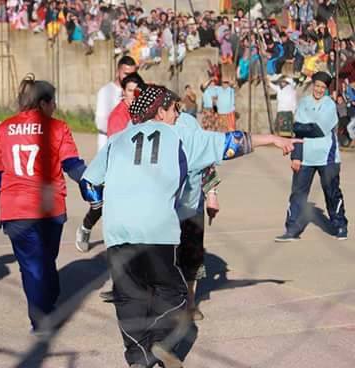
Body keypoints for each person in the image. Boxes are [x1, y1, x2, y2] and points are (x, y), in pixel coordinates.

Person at [80, 85, 299, 368]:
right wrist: (271, 138)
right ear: (160, 111)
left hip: (118, 230)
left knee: (128, 297)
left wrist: (99, 206)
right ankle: (159, 340)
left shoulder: (117, 140)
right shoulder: (180, 137)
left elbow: (89, 183)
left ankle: (137, 357)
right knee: (173, 292)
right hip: (157, 228)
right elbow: (230, 143)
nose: (177, 115)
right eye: (174, 110)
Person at [0, 75, 87, 334]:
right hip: (49, 206)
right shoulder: (57, 128)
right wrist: (91, 182)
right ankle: (41, 317)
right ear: (43, 102)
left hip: (16, 208)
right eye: (52, 101)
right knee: (43, 260)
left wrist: (6, 199)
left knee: (35, 264)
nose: (54, 106)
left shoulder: (4, 128)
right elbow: (72, 165)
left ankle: (44, 306)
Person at [276, 71, 349, 242]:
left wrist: (302, 126)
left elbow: (318, 130)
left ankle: (339, 225)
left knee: (332, 193)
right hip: (305, 157)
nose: (319, 90)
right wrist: (296, 156)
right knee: (297, 194)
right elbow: (298, 131)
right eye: (316, 86)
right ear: (312, 85)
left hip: (327, 158)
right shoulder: (304, 103)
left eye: (323, 87)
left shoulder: (330, 105)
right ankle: (292, 229)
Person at [75, 56, 136, 250]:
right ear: (118, 71)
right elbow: (100, 122)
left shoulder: (137, 91)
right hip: (108, 152)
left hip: (130, 156)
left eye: (132, 72)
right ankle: (86, 226)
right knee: (100, 203)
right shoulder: (107, 92)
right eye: (126, 72)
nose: (129, 76)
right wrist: (119, 123)